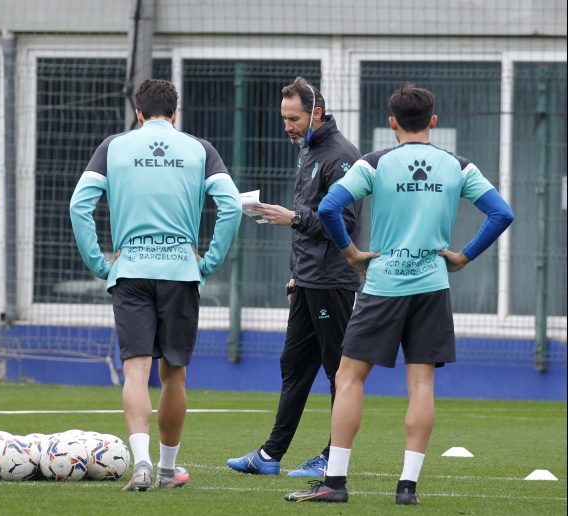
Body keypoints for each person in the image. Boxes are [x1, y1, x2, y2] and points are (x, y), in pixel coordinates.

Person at [285, 83, 514, 505]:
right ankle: (407, 488)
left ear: (391, 123)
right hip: (431, 285)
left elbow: (331, 208)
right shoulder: (458, 166)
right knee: (421, 384)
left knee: (349, 378)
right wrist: (463, 256)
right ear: (433, 122)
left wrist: (352, 253)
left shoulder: (375, 163)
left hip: (384, 284)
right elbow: (502, 213)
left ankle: (334, 483)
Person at [69, 78, 241, 492]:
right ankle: (166, 469)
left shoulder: (114, 146)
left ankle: (141, 462)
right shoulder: (199, 149)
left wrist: (99, 263)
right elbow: (232, 205)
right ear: (175, 114)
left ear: (139, 113)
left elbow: (79, 204)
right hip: (181, 269)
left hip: (130, 270)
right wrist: (210, 260)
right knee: (174, 375)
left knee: (135, 371)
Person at [226, 77, 362, 478]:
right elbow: (307, 222)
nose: (288, 126)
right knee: (294, 364)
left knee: (339, 371)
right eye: (284, 118)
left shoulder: (340, 156)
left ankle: (331, 460)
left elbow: (346, 223)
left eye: (294, 118)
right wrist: (294, 277)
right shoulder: (308, 152)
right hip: (307, 281)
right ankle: (270, 456)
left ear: (316, 113)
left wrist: (294, 218)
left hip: (332, 282)